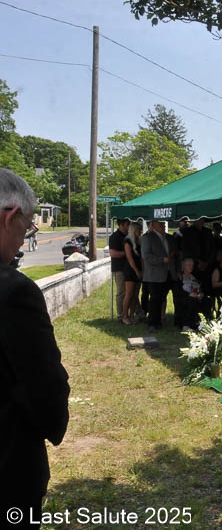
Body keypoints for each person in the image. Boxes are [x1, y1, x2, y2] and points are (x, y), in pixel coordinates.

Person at [0, 168, 70, 525]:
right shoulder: (14, 292)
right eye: (27, 228)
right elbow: (43, 384)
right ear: (10, 217)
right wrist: (55, 421)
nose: (22, 240)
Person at [141, 220, 171, 332]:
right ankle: (152, 323)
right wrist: (162, 260)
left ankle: (158, 321)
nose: (163, 225)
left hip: (166, 273)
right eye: (160, 224)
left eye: (163, 224)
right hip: (154, 274)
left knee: (161, 298)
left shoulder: (166, 237)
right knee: (154, 299)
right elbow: (146, 256)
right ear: (153, 225)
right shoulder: (147, 238)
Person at [178, 258, 212, 330]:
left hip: (196, 295)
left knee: (207, 300)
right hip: (184, 297)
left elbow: (200, 287)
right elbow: (177, 290)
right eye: (188, 265)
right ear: (184, 266)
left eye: (192, 265)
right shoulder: (179, 277)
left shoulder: (194, 276)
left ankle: (202, 322)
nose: (191, 267)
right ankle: (186, 325)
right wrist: (189, 294)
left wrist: (201, 293)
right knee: (192, 300)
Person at [108, 218, 131, 320]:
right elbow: (113, 253)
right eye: (128, 224)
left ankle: (131, 312)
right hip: (119, 268)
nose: (129, 226)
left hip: (129, 268)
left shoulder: (128, 236)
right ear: (122, 224)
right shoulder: (114, 237)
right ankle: (120, 314)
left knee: (130, 292)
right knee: (121, 292)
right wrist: (127, 253)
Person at [122, 222, 143, 325]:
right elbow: (130, 259)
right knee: (129, 293)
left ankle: (132, 315)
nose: (140, 232)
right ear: (134, 230)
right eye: (139, 230)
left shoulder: (138, 242)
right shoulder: (127, 241)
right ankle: (125, 316)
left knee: (135, 294)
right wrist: (136, 271)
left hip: (138, 269)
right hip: (130, 270)